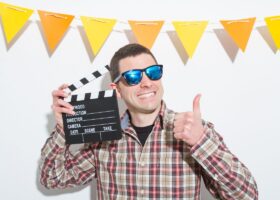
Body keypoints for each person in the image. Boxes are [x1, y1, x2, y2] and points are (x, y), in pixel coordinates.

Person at [40, 43, 258, 199]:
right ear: (116, 90)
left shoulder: (193, 131)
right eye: (133, 77)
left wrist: (201, 143)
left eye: (153, 72)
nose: (146, 83)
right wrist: (63, 130)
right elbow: (53, 179)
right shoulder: (102, 139)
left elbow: (246, 196)